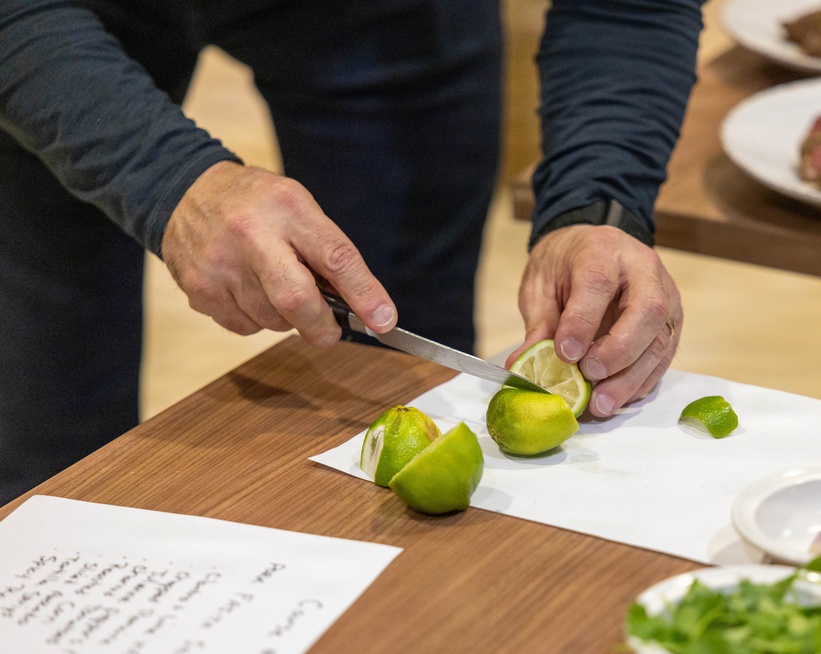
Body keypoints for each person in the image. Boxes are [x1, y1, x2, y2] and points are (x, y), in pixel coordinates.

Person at [0, 0, 705, 502]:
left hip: (382, 19)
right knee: (48, 430)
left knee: (399, 407)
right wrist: (164, 177)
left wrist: (596, 201)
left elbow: (630, 7)